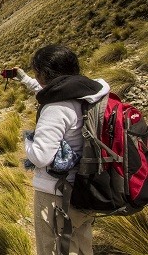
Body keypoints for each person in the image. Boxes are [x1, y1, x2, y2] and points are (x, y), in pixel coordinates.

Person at [13, 45, 110, 255]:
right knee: (81, 244)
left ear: (45, 74)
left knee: (55, 248)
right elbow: (50, 92)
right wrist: (24, 79)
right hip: (84, 187)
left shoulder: (55, 108)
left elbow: (40, 157)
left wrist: (27, 140)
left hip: (56, 193)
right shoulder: (87, 94)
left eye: (37, 73)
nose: (36, 78)